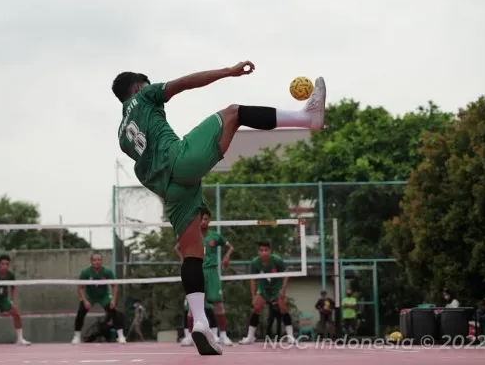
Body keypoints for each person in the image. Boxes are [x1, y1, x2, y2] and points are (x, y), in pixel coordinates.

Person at [114, 62, 326, 355]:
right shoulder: (145, 95)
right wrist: (228, 72)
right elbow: (185, 82)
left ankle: (200, 322)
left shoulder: (122, 134)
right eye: (147, 82)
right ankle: (307, 118)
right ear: (137, 87)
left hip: (169, 189)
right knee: (233, 112)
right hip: (180, 162)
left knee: (191, 253)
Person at [174, 208, 235, 346]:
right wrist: (183, 259)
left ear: (209, 220)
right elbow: (177, 248)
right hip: (197, 270)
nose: (203, 221)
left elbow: (230, 247)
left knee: (218, 304)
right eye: (200, 219)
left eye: (206, 219)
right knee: (192, 305)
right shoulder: (190, 235)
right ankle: (189, 336)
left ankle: (223, 336)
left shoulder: (215, 236)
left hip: (212, 272)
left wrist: (226, 257)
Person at [239, 242, 294, 344]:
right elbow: (253, 280)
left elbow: (287, 274)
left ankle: (290, 336)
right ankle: (250, 337)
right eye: (261, 250)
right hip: (263, 288)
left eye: (266, 250)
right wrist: (253, 296)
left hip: (276, 287)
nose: (264, 252)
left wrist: (283, 289)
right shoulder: (255, 262)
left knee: (282, 308)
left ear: (270, 251)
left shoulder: (277, 260)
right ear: (258, 252)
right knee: (256, 308)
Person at [71, 253, 126, 344]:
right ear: (91, 261)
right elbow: (80, 288)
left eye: (99, 260)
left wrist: (113, 299)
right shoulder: (85, 272)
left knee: (114, 312)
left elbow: (114, 286)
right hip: (89, 296)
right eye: (95, 260)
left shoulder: (107, 272)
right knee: (81, 312)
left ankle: (121, 336)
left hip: (104, 296)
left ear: (102, 261)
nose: (97, 262)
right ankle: (76, 336)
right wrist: (84, 300)